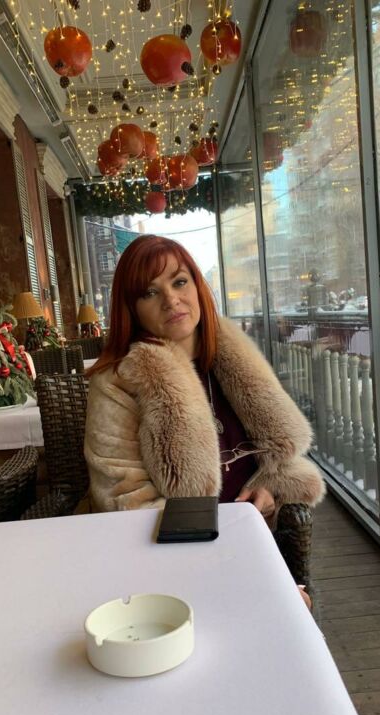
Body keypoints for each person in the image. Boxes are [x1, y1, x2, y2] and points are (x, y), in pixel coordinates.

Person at [84, 235, 325, 603]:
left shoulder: (234, 358)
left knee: (290, 608)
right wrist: (229, 535)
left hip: (257, 542)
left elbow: (283, 459)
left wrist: (271, 494)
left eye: (180, 282)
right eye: (149, 292)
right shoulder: (119, 381)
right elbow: (123, 498)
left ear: (197, 286)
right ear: (131, 309)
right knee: (284, 609)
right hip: (170, 561)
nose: (171, 300)